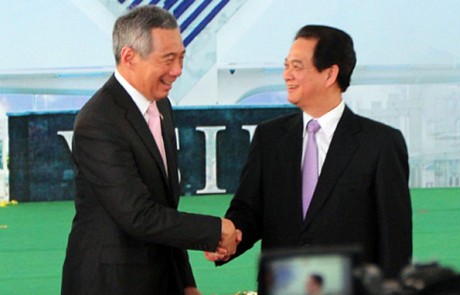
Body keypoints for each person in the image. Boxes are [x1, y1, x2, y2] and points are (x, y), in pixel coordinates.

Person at [206, 25, 412, 289]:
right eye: (286, 66)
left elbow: (395, 241)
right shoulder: (269, 137)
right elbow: (248, 211)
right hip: (283, 286)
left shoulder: (380, 144)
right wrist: (227, 242)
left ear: (330, 74)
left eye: (297, 67)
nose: (286, 76)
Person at [61, 6, 239, 295]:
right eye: (168, 60)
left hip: (159, 277)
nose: (178, 71)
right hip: (110, 283)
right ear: (129, 57)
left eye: (181, 58)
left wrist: (186, 281)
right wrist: (214, 231)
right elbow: (138, 215)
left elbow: (165, 208)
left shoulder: (161, 106)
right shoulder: (98, 121)